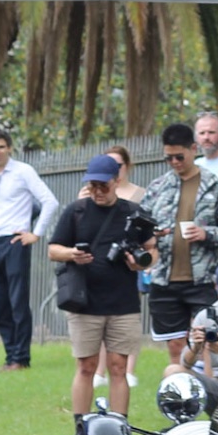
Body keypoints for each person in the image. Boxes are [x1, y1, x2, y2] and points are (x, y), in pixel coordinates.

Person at [48, 154, 152, 418]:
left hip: (123, 303)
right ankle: (80, 428)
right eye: (92, 185)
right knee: (86, 366)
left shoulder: (133, 212)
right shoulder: (77, 211)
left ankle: (119, 428)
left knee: (119, 367)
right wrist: (72, 254)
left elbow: (151, 248)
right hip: (85, 302)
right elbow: (53, 249)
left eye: (103, 186)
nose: (97, 192)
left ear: (117, 181)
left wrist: (139, 263)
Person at [142, 123, 218, 365]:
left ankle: (205, 394)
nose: (174, 163)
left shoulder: (216, 187)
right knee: (174, 345)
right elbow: (141, 228)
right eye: (168, 158)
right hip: (164, 278)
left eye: (179, 157)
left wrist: (206, 233)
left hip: (203, 280)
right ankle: (177, 393)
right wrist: (152, 236)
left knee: (205, 342)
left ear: (194, 149)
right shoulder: (157, 188)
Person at [0, 130, 60, 372]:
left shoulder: (23, 171)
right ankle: (10, 355)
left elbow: (50, 201)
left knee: (17, 301)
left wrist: (36, 233)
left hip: (16, 240)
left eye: (1, 147)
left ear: (10, 148)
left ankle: (21, 357)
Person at [79, 148, 146, 390]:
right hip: (94, 279)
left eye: (117, 164)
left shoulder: (138, 198)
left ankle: (128, 370)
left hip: (125, 274)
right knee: (100, 325)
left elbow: (148, 238)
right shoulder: (84, 203)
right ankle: (100, 370)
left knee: (124, 325)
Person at [165, 261, 218, 405]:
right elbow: (185, 363)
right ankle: (183, 420)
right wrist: (196, 348)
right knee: (173, 371)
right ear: (217, 288)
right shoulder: (205, 316)